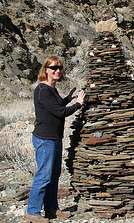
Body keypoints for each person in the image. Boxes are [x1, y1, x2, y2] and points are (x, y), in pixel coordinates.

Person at [26, 56, 85, 223]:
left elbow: (57, 105)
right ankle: (32, 212)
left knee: (54, 175)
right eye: (53, 68)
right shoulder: (43, 90)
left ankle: (51, 209)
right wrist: (78, 104)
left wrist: (68, 99)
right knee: (44, 176)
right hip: (45, 139)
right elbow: (60, 112)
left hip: (54, 138)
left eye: (60, 67)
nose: (57, 70)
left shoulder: (51, 89)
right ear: (46, 70)